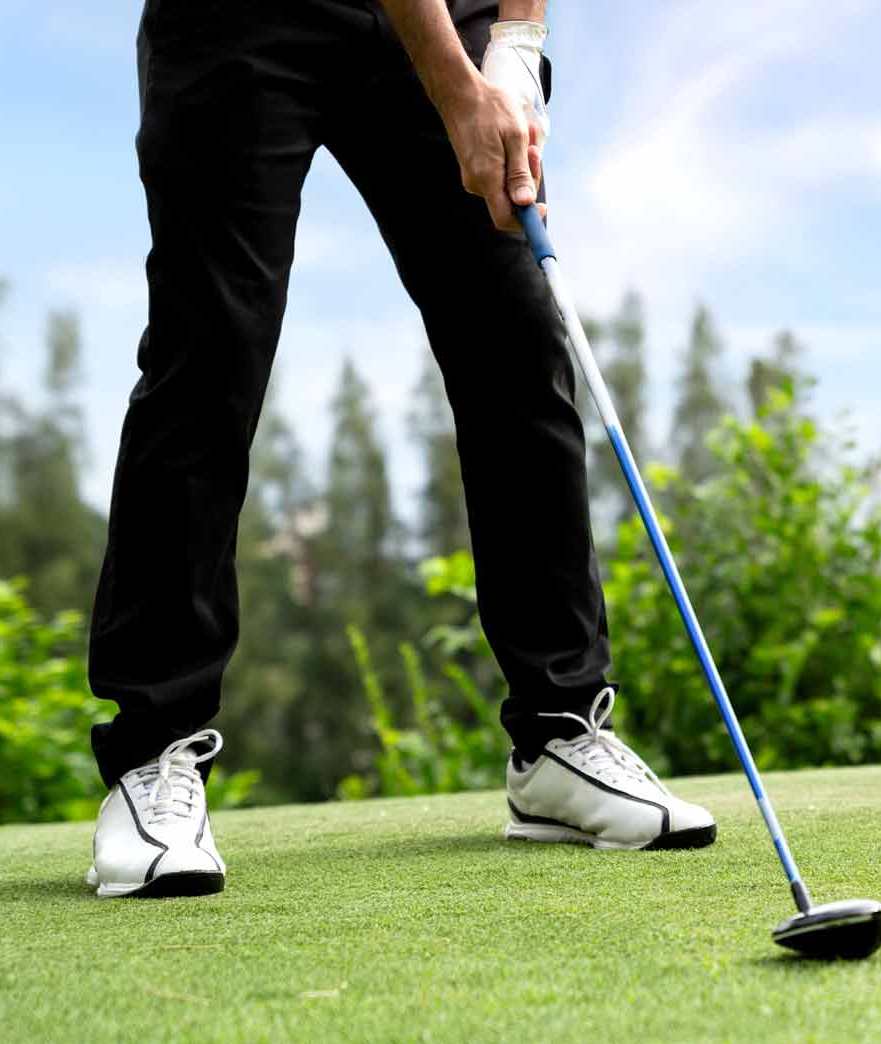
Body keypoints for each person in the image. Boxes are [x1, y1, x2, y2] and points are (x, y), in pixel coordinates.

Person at [85, 0, 714, 900]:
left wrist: (516, 44)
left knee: (516, 334)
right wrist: (458, 86)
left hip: (443, 19)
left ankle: (557, 733)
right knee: (212, 348)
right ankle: (153, 752)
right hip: (238, 21)